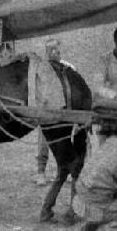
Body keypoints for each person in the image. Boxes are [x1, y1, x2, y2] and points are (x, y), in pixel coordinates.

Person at [35, 38, 76, 186]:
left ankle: (65, 171)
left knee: (65, 141)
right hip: (46, 112)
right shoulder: (40, 69)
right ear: (46, 52)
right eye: (50, 50)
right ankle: (41, 172)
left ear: (60, 50)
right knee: (43, 142)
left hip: (63, 111)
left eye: (56, 49)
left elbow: (73, 88)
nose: (54, 52)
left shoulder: (68, 67)